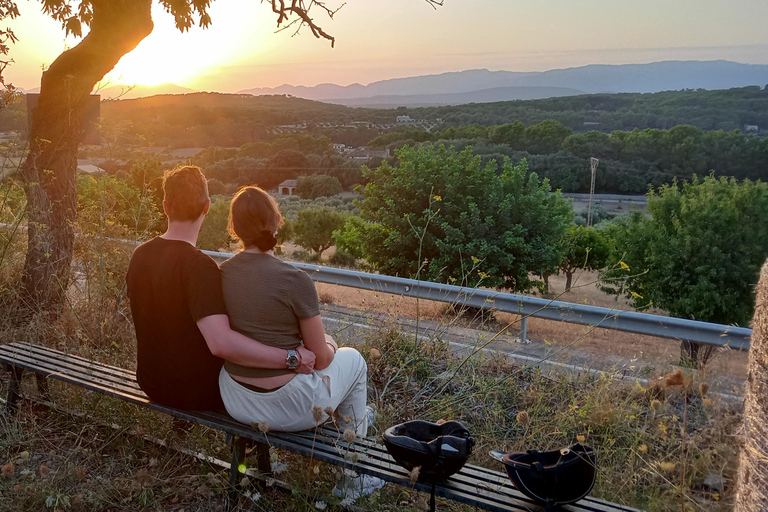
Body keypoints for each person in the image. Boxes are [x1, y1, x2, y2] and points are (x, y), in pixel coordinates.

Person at [217, 185, 384, 499]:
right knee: (354, 361)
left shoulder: (220, 274)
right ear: (278, 220)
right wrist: (331, 343)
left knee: (333, 368)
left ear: (234, 228)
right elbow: (320, 359)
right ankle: (352, 477)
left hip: (236, 400)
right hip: (289, 408)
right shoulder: (295, 280)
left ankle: (351, 422)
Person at [127, 166, 316, 411]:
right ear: (207, 206)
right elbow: (221, 344)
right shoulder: (200, 267)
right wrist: (292, 358)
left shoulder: (139, 254)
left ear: (165, 206)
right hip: (197, 391)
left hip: (151, 382)